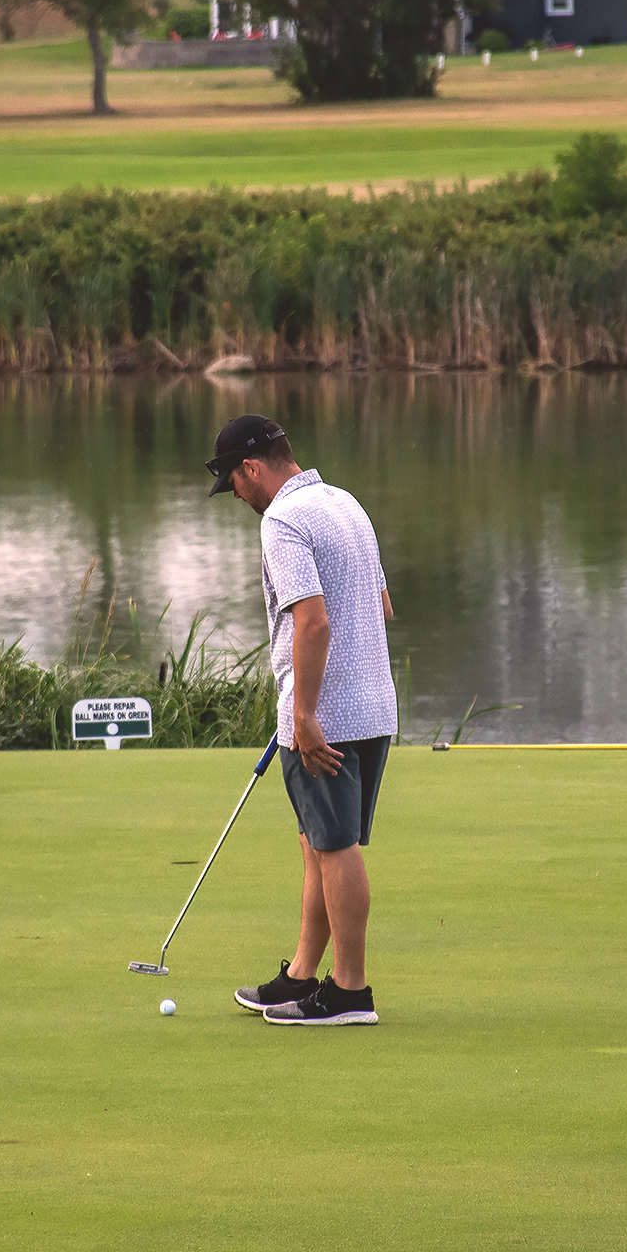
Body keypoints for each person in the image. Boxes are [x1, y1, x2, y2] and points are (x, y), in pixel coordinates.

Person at [208, 415, 397, 1027]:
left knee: (335, 846)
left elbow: (312, 621)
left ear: (253, 468)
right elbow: (382, 605)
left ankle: (350, 992)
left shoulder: (282, 520)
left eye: (234, 481)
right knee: (318, 842)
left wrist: (305, 711)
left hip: (327, 717)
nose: (236, 495)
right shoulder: (345, 503)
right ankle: (300, 977)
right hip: (374, 706)